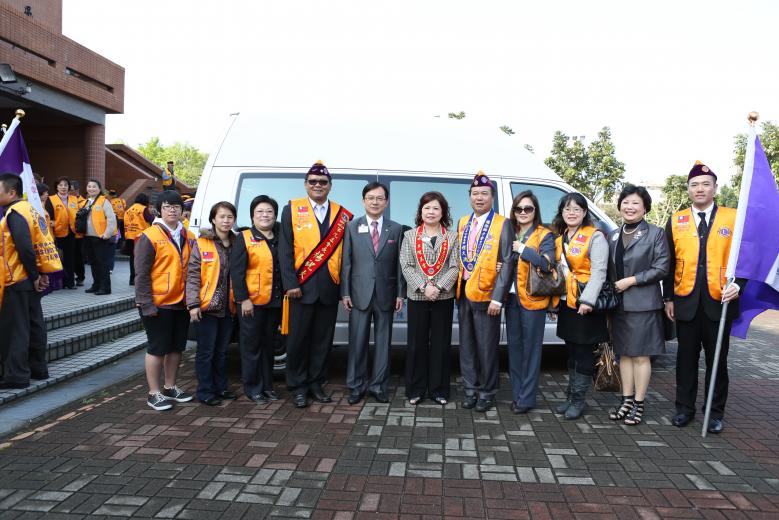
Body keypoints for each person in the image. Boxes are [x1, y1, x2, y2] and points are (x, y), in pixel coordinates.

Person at [663, 162, 743, 434]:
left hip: (720, 301)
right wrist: (668, 298)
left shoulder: (733, 218)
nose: (700, 189)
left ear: (715, 188)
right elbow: (669, 262)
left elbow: (745, 258)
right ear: (688, 189)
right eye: (694, 184)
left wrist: (739, 285)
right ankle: (684, 409)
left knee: (716, 361)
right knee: (685, 359)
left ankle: (714, 412)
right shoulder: (676, 220)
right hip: (685, 300)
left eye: (706, 184)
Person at [279, 161, 352, 408]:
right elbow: (285, 249)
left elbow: (346, 256)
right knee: (298, 341)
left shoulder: (342, 214)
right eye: (313, 182)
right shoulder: (291, 209)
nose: (317, 185)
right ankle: (298, 387)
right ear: (305, 185)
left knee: (322, 341)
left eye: (322, 182)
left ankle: (316, 383)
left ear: (330, 186)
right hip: (300, 288)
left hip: (329, 288)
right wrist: (290, 283)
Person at [606, 185, 669, 426]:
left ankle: (639, 404)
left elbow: (661, 268)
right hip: (619, 305)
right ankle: (626, 400)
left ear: (645, 208)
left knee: (641, 356)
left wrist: (631, 280)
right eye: (626, 202)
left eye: (635, 203)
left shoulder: (655, 233)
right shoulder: (613, 235)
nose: (629, 207)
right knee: (624, 354)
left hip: (643, 304)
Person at [341, 182, 404, 405]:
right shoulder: (351, 227)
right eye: (371, 198)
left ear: (386, 202)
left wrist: (400, 294)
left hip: (387, 293)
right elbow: (346, 263)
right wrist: (345, 293)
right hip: (358, 293)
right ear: (363, 201)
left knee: (383, 344)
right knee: (357, 342)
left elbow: (399, 265)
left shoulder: (396, 228)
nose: (375, 202)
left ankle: (378, 386)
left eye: (379, 198)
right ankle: (356, 386)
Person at [455, 171, 512, 413]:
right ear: (470, 196)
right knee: (466, 346)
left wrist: (498, 298)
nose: (479, 198)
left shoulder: (502, 223)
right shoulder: (463, 222)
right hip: (463, 293)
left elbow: (507, 261)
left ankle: (487, 392)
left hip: (488, 295)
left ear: (492, 197)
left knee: (487, 348)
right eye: (475, 193)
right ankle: (470, 389)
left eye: (484, 194)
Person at [135, 190, 196, 410]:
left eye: (176, 206)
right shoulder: (149, 236)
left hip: (181, 302)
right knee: (157, 348)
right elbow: (141, 274)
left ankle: (170, 387)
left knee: (176, 348)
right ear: (159, 210)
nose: (172, 210)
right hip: (157, 303)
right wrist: (145, 303)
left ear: (182, 210)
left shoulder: (189, 235)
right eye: (167, 206)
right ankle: (154, 393)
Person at [0, 173, 62, 389]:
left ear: (12, 192)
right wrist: (40, 273)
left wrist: (35, 276)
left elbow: (25, 247)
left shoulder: (15, 213)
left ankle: (16, 376)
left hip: (17, 279)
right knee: (35, 325)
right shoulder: (31, 209)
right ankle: (38, 369)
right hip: (29, 278)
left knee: (16, 330)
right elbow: (40, 243)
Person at [498, 190, 555, 414]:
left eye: (528, 208)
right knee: (514, 350)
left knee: (531, 352)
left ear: (535, 211)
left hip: (533, 301)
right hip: (511, 299)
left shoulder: (544, 235)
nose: (523, 212)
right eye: (518, 208)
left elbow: (547, 264)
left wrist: (523, 249)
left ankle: (526, 399)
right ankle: (517, 395)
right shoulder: (509, 231)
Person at [400, 192, 460, 405]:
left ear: (443, 212)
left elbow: (455, 266)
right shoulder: (410, 236)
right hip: (417, 296)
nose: (431, 212)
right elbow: (406, 265)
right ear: (421, 211)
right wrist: (424, 287)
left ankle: (438, 390)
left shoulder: (452, 237)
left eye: (436, 208)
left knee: (441, 344)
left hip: (443, 297)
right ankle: (416, 390)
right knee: (416, 344)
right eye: (427, 208)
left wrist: (439, 287)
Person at [553, 192, 609, 420]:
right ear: (562, 212)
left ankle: (578, 400)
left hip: (586, 304)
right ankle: (570, 397)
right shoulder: (560, 238)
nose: (571, 213)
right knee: (572, 352)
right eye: (567, 209)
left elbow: (599, 271)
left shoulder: (595, 236)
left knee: (584, 352)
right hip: (567, 302)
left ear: (585, 212)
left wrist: (588, 300)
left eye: (577, 209)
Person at [231, 195, 284, 404]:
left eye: (269, 211)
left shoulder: (280, 236)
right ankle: (253, 388)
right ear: (252, 216)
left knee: (269, 346)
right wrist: (243, 299)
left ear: (275, 215)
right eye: (260, 211)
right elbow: (237, 272)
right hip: (251, 303)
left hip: (274, 302)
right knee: (251, 346)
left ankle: (267, 386)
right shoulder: (244, 238)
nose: (265, 215)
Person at [187, 201, 238, 406]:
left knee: (222, 351)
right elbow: (192, 275)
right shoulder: (202, 243)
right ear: (213, 219)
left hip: (229, 307)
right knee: (206, 352)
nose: (226, 221)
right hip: (206, 307)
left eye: (230, 217)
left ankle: (221, 387)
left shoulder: (237, 242)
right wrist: (193, 304)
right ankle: (205, 391)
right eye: (221, 216)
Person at [82, 179, 116, 295]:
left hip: (100, 237)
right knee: (93, 263)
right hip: (88, 236)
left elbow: (111, 219)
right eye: (89, 186)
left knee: (102, 263)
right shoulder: (86, 202)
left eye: (94, 187)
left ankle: (105, 287)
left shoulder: (104, 201)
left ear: (99, 189)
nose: (91, 188)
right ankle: (96, 284)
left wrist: (107, 233)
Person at [49, 177, 79, 289]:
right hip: (56, 233)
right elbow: (49, 217)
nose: (63, 187)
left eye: (66, 185)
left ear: (69, 187)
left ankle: (70, 283)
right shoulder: (51, 199)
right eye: (60, 185)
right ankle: (59, 283)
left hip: (71, 233)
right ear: (56, 187)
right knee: (58, 258)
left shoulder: (74, 199)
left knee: (70, 258)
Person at [124, 193, 154, 285]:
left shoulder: (129, 210)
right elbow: (151, 219)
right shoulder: (143, 209)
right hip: (140, 237)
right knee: (141, 259)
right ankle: (139, 279)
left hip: (129, 236)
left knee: (132, 259)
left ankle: (132, 279)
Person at [70, 181, 86, 286]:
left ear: (76, 190)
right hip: (68, 233)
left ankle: (80, 277)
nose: (68, 191)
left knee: (79, 257)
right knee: (69, 256)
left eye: (70, 189)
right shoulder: (66, 200)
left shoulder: (83, 202)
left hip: (79, 235)